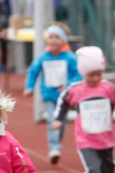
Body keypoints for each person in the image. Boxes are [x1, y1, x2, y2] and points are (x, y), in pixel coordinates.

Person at [22, 23, 82, 164]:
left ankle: (58, 138)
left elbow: (78, 73)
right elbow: (33, 71)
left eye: (57, 37)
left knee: (61, 122)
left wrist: (68, 85)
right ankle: (54, 147)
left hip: (65, 97)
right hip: (48, 95)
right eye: (51, 37)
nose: (53, 41)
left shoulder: (70, 57)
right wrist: (29, 87)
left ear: (63, 40)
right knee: (51, 120)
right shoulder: (43, 57)